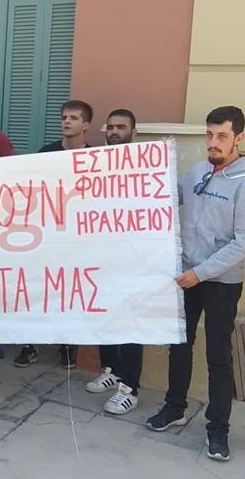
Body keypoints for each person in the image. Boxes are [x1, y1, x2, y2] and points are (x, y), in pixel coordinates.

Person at [146, 106, 245, 462]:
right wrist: (146, 174)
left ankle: (218, 428)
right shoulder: (199, 170)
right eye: (210, 135)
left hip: (221, 283)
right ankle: (175, 407)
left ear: (239, 138)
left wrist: (201, 272)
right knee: (179, 345)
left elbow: (244, 242)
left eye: (222, 136)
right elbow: (170, 198)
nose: (213, 142)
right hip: (187, 275)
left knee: (219, 356)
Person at [13, 99, 95, 370]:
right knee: (37, 288)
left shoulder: (95, 158)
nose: (66, 121)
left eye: (73, 118)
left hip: (77, 236)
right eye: (63, 117)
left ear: (86, 125)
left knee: (71, 290)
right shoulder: (46, 153)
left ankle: (68, 345)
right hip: (45, 234)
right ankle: (30, 344)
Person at [81, 109, 144, 415]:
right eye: (111, 127)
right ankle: (111, 371)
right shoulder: (96, 164)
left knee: (131, 322)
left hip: (133, 260)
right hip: (102, 257)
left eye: (121, 127)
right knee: (104, 316)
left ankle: (130, 387)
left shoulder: (146, 167)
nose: (115, 131)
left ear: (134, 132)